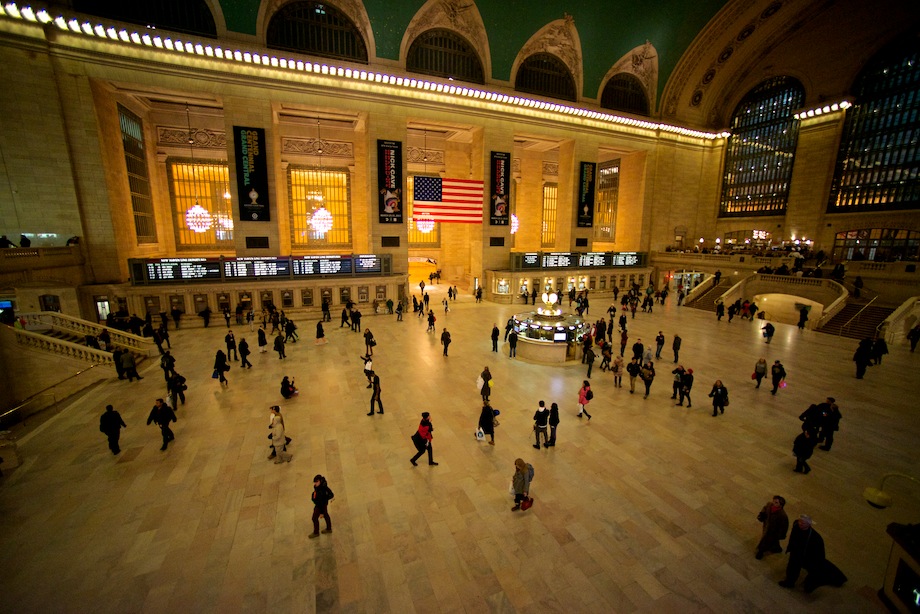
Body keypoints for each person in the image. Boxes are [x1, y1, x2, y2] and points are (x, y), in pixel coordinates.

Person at [779, 515, 847, 592]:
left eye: (803, 523)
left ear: (809, 524)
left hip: (807, 557)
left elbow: (819, 554)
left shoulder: (816, 538)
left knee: (815, 571)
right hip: (796, 553)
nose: (801, 524)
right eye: (800, 521)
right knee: (792, 568)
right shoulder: (796, 525)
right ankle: (789, 582)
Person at [756, 496, 789, 560]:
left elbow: (784, 527)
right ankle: (777, 548)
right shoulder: (769, 505)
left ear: (781, 505)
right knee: (773, 541)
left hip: (773, 531)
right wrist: (761, 515)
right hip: (767, 526)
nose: (773, 503)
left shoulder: (782, 515)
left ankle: (761, 551)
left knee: (765, 540)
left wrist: (780, 535)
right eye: (773, 501)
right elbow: (764, 509)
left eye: (776, 502)